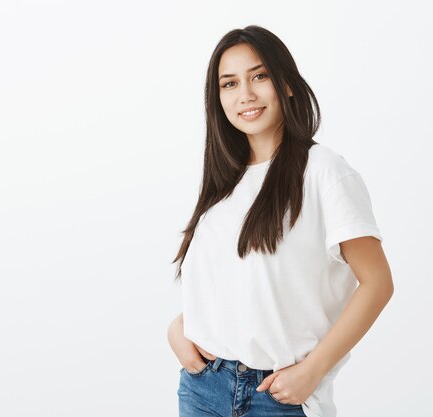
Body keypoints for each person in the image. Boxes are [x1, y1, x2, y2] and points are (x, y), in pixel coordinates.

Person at [167, 25, 394, 417]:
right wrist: (180, 327)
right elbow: (238, 281)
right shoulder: (224, 183)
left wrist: (313, 370)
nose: (246, 95)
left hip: (278, 396)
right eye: (229, 84)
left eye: (259, 76)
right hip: (203, 389)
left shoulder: (324, 172)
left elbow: (378, 284)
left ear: (287, 82)